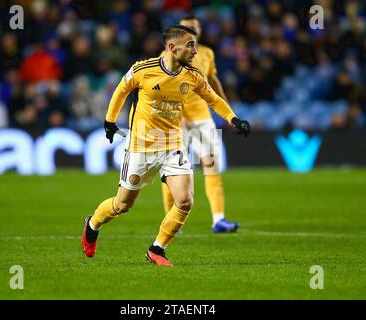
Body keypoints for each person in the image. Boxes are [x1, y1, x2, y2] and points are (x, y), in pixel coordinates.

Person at [81, 25, 250, 267]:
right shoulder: (144, 69)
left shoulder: (193, 76)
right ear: (172, 47)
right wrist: (109, 120)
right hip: (141, 147)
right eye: (190, 45)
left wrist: (233, 118)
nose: (195, 50)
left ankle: (157, 248)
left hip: (173, 145)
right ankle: (93, 224)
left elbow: (213, 99)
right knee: (122, 205)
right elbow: (121, 90)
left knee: (185, 201)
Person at [160, 15, 240, 233]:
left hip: (202, 118)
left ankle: (219, 220)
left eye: (194, 28)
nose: (191, 31)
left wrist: (227, 111)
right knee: (172, 171)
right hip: (175, 120)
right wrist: (179, 118)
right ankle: (171, 221)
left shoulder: (206, 53)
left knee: (212, 165)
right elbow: (163, 90)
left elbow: (213, 82)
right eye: (186, 28)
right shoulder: (168, 55)